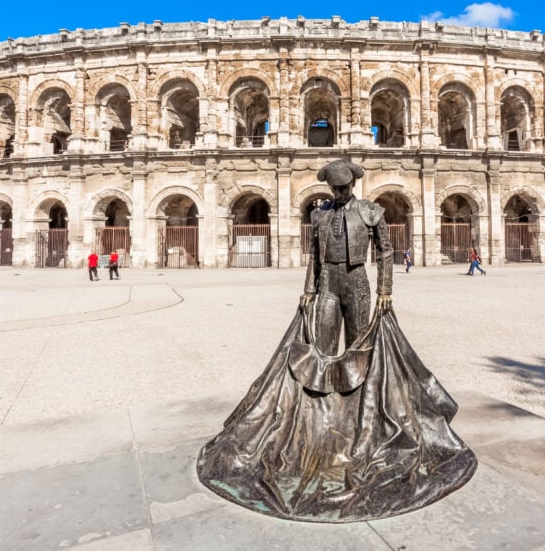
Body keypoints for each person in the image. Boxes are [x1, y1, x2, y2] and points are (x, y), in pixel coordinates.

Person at [197, 158, 476, 522]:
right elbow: (314, 257)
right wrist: (307, 290)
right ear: (330, 188)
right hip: (328, 285)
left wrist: (385, 292)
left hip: (358, 282)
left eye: (345, 188)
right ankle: (321, 422)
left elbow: (385, 252)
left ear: (353, 186)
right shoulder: (320, 215)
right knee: (321, 355)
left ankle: (364, 417)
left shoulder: (370, 211)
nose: (341, 193)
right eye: (336, 189)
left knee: (362, 352)